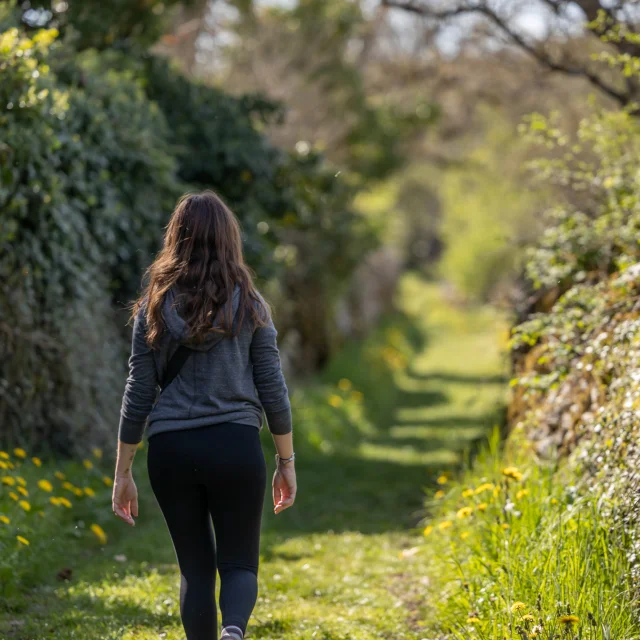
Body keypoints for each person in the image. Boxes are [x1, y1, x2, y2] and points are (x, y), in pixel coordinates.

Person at [111, 190, 297, 640]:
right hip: (235, 446)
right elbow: (272, 388)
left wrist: (123, 472)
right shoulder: (251, 305)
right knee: (237, 562)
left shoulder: (154, 306)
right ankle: (233, 630)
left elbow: (138, 389)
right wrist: (285, 462)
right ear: (229, 240)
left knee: (195, 570)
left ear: (177, 239)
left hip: (172, 448)